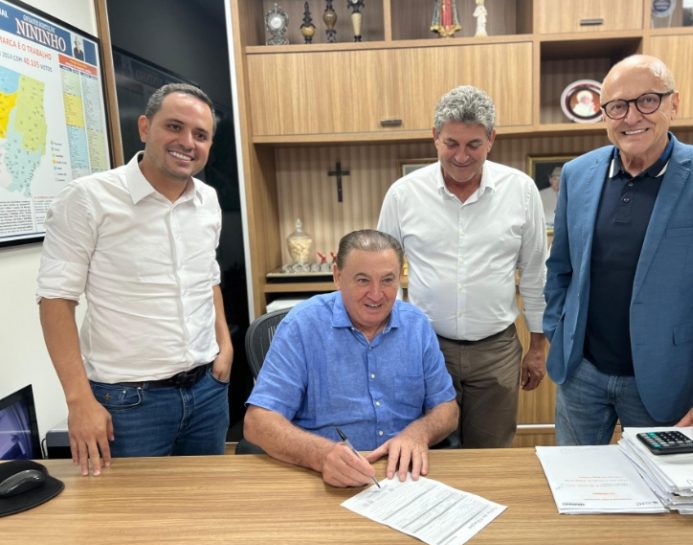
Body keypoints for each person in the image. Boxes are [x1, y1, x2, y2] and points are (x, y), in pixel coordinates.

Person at [544, 55, 693, 448]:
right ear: (604, 115)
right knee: (575, 480)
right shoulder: (577, 174)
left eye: (647, 100)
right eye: (617, 106)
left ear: (673, 103)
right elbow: (561, 269)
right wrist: (558, 334)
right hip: (581, 375)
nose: (631, 117)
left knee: (661, 487)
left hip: (666, 380)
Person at [37, 83, 232, 476]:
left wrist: (223, 345)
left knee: (207, 503)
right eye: (174, 127)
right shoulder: (88, 199)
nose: (187, 142)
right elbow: (55, 300)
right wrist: (78, 400)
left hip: (207, 392)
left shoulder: (207, 201)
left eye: (200, 135)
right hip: (128, 404)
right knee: (130, 511)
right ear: (145, 127)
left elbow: (206, 277)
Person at [378, 85, 548, 448]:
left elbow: (535, 272)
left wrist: (538, 346)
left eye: (473, 145)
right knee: (429, 451)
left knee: (491, 454)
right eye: (451, 143)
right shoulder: (403, 194)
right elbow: (382, 274)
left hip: (496, 349)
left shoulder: (521, 190)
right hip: (425, 346)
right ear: (435, 137)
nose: (461, 156)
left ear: (491, 140)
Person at [243, 230, 458, 488]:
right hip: (321, 476)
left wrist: (418, 433)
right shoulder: (302, 326)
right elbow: (257, 423)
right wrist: (321, 455)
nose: (376, 294)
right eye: (363, 280)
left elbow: (447, 410)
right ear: (337, 276)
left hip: (403, 477)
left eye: (387, 280)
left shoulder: (417, 326)